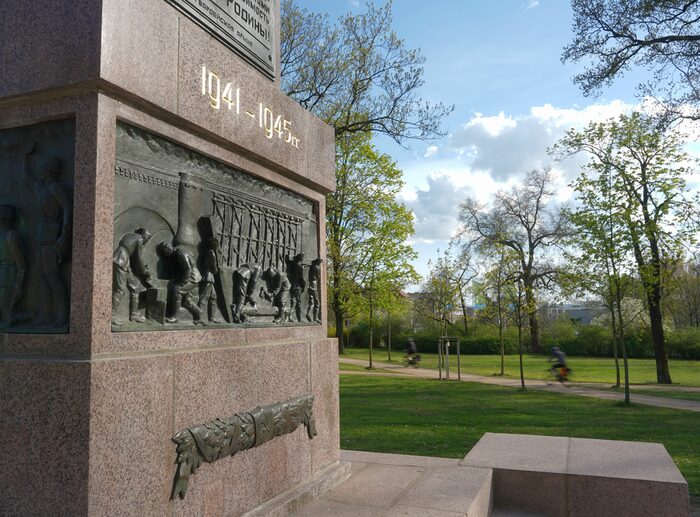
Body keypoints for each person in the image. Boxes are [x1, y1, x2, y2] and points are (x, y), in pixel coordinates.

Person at [26, 157, 72, 326]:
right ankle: (45, 313)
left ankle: (62, 313)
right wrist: (25, 157)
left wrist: (64, 235)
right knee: (41, 277)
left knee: (52, 276)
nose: (41, 172)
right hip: (41, 235)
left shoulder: (55, 188)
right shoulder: (42, 188)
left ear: (49, 171)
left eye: (44, 169)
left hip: (53, 234)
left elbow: (67, 207)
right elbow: (28, 179)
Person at [157, 241, 205, 325]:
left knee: (177, 289)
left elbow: (187, 268)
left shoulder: (179, 252)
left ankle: (174, 317)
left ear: (167, 249)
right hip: (188, 277)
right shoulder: (174, 253)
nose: (165, 254)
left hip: (192, 277)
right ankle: (199, 314)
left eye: (164, 251)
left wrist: (182, 282)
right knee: (186, 301)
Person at [112, 228, 153, 325]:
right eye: (147, 238)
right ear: (144, 235)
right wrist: (144, 271)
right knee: (120, 290)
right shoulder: (139, 238)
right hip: (121, 260)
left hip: (125, 263)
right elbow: (138, 258)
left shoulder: (129, 235)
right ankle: (110, 315)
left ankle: (134, 315)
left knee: (135, 287)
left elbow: (134, 259)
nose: (146, 242)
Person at [0, 205, 26, 328]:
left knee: (4, 301)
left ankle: (12, 319)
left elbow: (21, 263)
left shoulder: (11, 236)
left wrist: (19, 283)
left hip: (9, 273)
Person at [198, 237, 222, 324]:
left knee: (213, 297)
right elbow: (214, 269)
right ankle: (199, 317)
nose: (218, 246)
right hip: (208, 277)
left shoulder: (208, 252)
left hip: (209, 277)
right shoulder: (211, 253)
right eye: (217, 244)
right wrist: (218, 270)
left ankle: (212, 318)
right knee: (204, 297)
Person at [286, 252, 306, 322]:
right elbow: (302, 278)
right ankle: (298, 318)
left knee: (293, 301)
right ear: (301, 258)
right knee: (298, 303)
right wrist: (304, 286)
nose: (303, 259)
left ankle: (291, 316)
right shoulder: (300, 267)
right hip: (297, 287)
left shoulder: (293, 265)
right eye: (303, 257)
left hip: (292, 285)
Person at [306, 257, 322, 323]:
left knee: (311, 302)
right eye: (320, 262)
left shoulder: (311, 267)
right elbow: (318, 276)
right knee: (317, 303)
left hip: (310, 284)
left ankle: (309, 314)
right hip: (314, 285)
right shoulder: (317, 267)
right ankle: (315, 318)